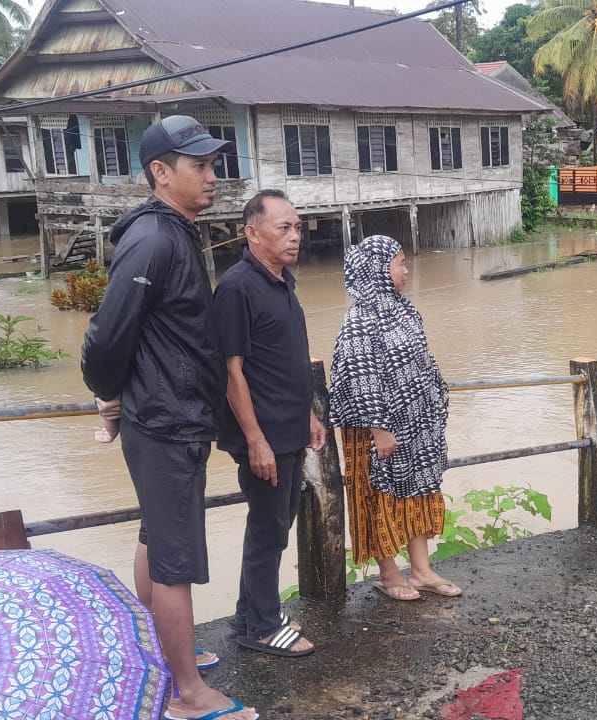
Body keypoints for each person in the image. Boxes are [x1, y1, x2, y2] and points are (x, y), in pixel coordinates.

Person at [82, 115, 257, 720]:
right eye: (199, 166)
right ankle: (186, 693)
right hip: (165, 421)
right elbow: (107, 335)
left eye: (214, 164)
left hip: (172, 413)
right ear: (160, 172)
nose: (213, 176)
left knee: (156, 536)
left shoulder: (175, 231)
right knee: (174, 557)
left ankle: (161, 649)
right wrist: (107, 393)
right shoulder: (154, 240)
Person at [213, 190, 325, 657]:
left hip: (289, 425)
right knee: (267, 529)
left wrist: (308, 413)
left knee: (276, 523)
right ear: (253, 233)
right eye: (284, 228)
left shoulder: (281, 282)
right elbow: (231, 371)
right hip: (263, 433)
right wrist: (255, 439)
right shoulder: (237, 287)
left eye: (297, 227)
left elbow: (286, 358)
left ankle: (250, 614)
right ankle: (262, 627)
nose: (295, 236)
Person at [328, 235, 458, 601]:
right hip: (377, 431)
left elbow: (423, 361)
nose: (406, 270)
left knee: (417, 492)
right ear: (377, 269)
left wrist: (433, 406)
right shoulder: (359, 319)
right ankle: (389, 574)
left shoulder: (403, 309)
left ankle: (421, 570)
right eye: (399, 263)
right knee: (378, 497)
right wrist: (379, 428)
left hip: (414, 425)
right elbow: (360, 376)